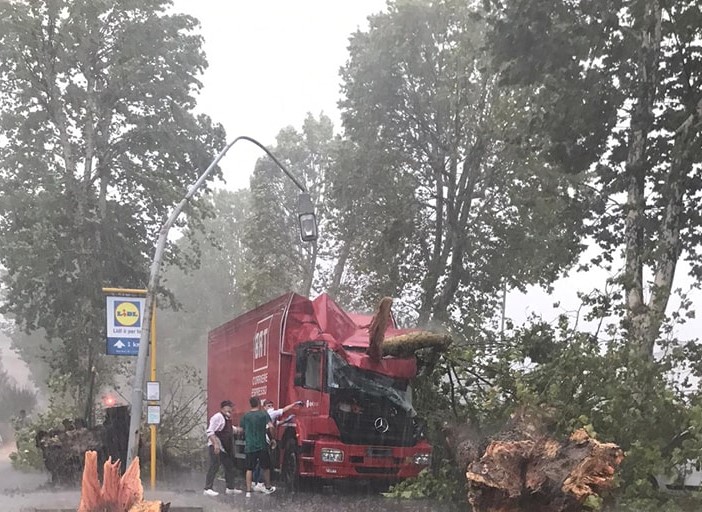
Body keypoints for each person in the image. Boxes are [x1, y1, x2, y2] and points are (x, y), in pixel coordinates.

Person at [251, 399, 303, 491]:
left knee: (259, 462)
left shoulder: (264, 415)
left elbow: (277, 423)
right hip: (266, 438)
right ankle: (260, 483)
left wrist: (286, 420)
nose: (271, 407)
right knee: (264, 461)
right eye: (269, 405)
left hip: (260, 438)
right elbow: (284, 410)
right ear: (264, 407)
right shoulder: (271, 413)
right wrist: (295, 404)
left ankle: (254, 481)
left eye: (271, 405)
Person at [204, 400, 243, 497]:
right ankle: (207, 488)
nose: (230, 409)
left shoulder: (227, 418)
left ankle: (230, 488)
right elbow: (210, 432)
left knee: (229, 466)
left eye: (231, 407)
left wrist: (238, 430)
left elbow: (228, 429)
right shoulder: (217, 417)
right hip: (216, 446)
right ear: (222, 408)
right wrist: (215, 445)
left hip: (224, 449)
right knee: (214, 466)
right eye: (228, 407)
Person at [240, 396, 276, 497]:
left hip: (250, 446)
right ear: (259, 403)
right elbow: (271, 426)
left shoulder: (246, 416)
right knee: (266, 467)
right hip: (262, 445)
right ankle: (268, 487)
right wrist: (273, 438)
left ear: (250, 404)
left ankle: (248, 491)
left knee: (249, 468)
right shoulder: (263, 414)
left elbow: (241, 430)